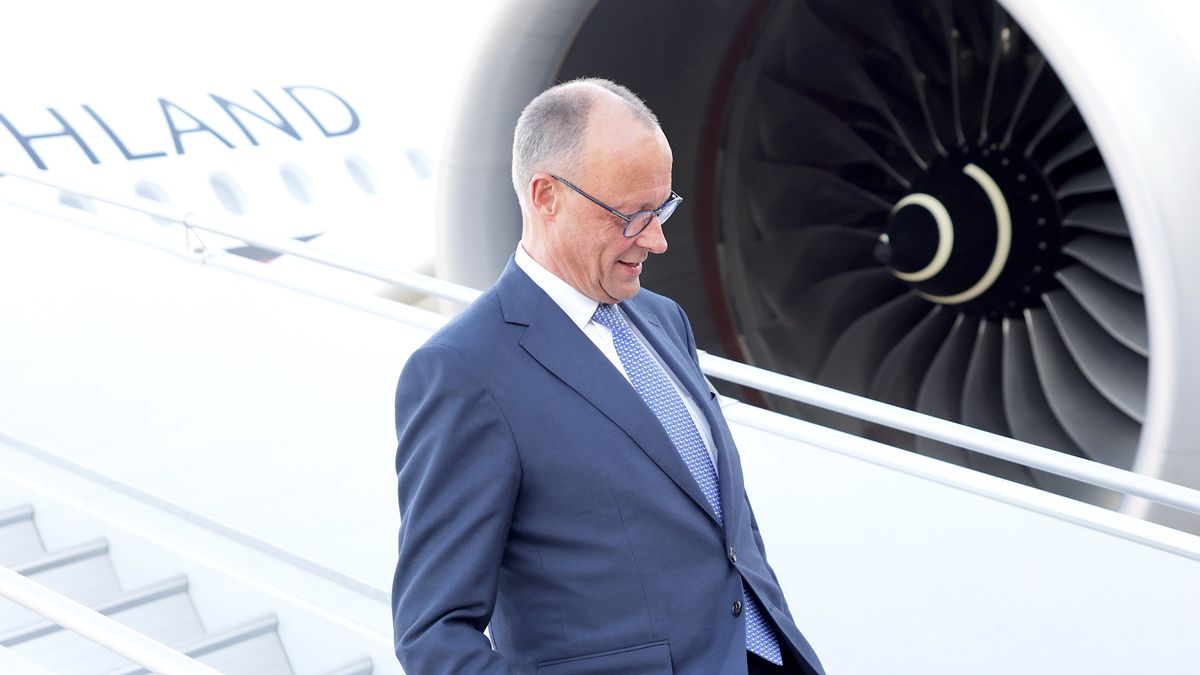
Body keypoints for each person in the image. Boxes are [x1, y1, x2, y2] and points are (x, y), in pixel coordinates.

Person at [392, 78, 824, 675]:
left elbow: (719, 519)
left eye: (663, 208)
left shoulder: (661, 318)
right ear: (546, 196)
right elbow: (433, 635)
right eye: (632, 215)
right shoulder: (464, 370)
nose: (657, 239)